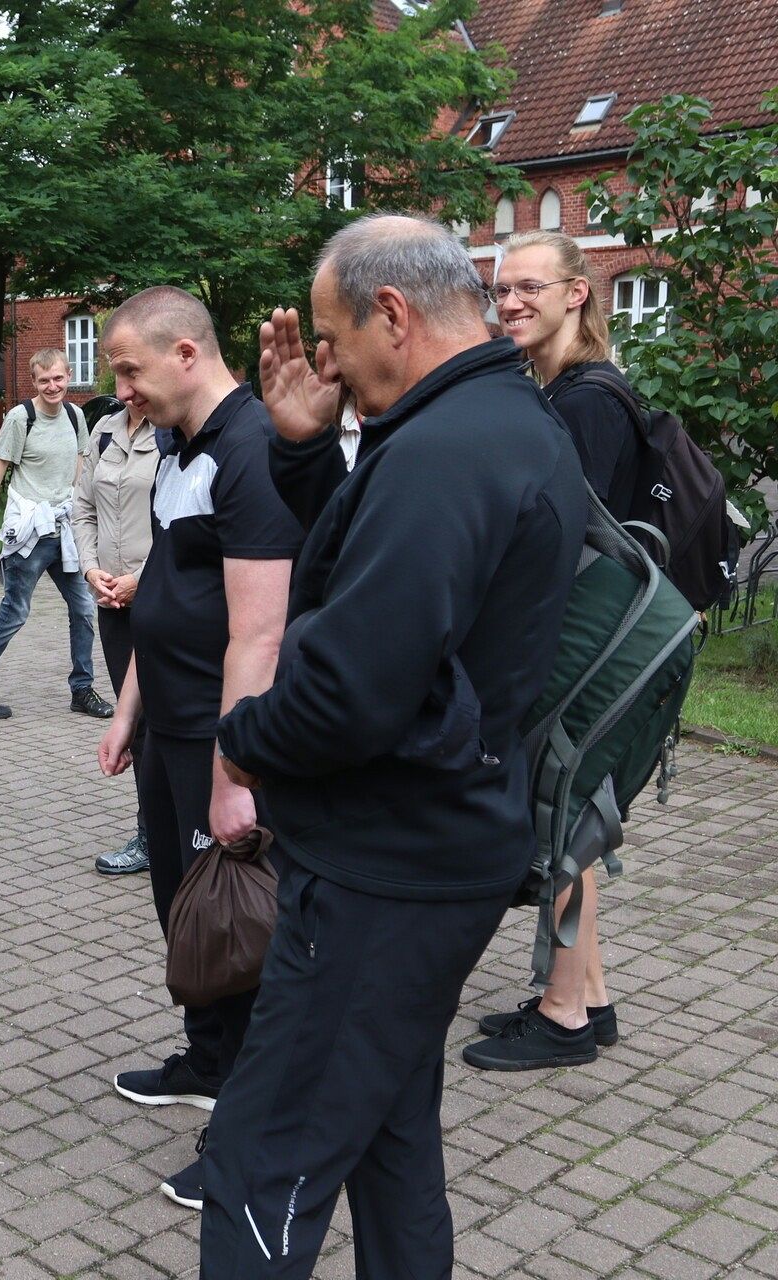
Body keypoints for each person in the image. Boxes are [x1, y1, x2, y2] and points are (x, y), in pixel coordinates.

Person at [201, 215, 587, 1277]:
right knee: (389, 1144)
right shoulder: (487, 423)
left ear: (395, 314)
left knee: (262, 1162)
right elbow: (392, 593)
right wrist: (306, 448)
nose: (325, 361)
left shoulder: (450, 449)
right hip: (434, 850)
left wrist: (239, 741)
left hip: (384, 871)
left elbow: (351, 688)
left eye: (333, 338)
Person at [94, 287, 300, 1210]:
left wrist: (233, 773)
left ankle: (249, 1133)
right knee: (185, 911)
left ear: (186, 353)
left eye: (131, 371)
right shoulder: (181, 446)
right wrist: (128, 706)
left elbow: (257, 634)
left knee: (241, 927)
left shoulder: (251, 447)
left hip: (220, 741)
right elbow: (169, 592)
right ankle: (208, 1058)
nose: (123, 392)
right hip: (168, 725)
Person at [460, 229, 635, 1072]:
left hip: (578, 645)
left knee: (563, 818)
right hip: (582, 641)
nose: (511, 302)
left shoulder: (587, 403)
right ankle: (587, 998)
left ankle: (564, 1016)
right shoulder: (562, 390)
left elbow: (567, 543)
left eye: (530, 286)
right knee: (576, 818)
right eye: (501, 291)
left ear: (577, 294)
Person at [0, 348, 112, 722]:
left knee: (85, 608)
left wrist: (86, 519)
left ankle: (82, 689)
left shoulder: (75, 417)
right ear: (34, 381)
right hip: (30, 533)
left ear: (68, 376)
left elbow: (79, 471)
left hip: (65, 530)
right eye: (44, 381)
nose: (52, 386)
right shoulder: (20, 418)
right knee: (16, 611)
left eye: (58, 378)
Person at [72, 395, 159, 875]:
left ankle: (186, 828)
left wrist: (142, 579)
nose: (124, 388)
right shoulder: (104, 429)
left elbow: (184, 524)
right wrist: (90, 570)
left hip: (162, 598)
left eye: (132, 373)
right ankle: (150, 834)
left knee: (172, 714)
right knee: (139, 724)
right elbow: (81, 509)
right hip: (112, 603)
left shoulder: (172, 433)